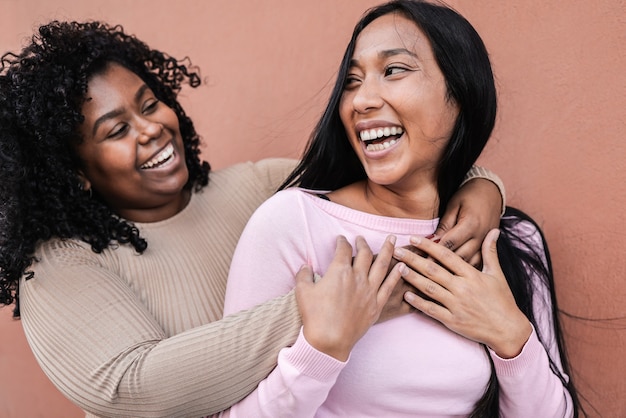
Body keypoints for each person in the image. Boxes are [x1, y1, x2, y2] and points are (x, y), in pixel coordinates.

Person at [0, 19, 506, 418]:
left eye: (150, 104)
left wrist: (483, 186)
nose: (151, 129)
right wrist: (325, 312)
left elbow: (392, 169)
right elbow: (133, 390)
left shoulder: (256, 188)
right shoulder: (59, 268)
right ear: (75, 171)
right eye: (117, 131)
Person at [222, 0, 580, 417]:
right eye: (352, 81)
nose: (361, 100)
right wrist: (322, 351)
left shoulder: (510, 237)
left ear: (460, 94)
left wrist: (511, 337)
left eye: (393, 70)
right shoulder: (291, 223)